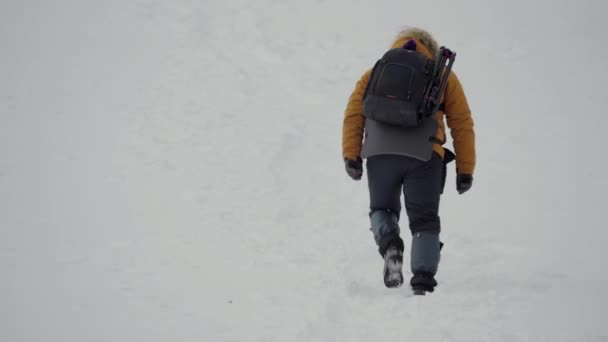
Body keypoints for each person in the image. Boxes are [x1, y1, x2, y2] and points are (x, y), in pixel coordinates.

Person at [342, 27, 476, 294]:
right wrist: (465, 169)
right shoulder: (443, 77)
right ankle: (423, 283)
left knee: (383, 208)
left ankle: (390, 242)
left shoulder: (374, 73)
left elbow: (354, 114)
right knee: (424, 219)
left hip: (380, 154)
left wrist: (351, 155)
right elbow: (461, 123)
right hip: (424, 156)